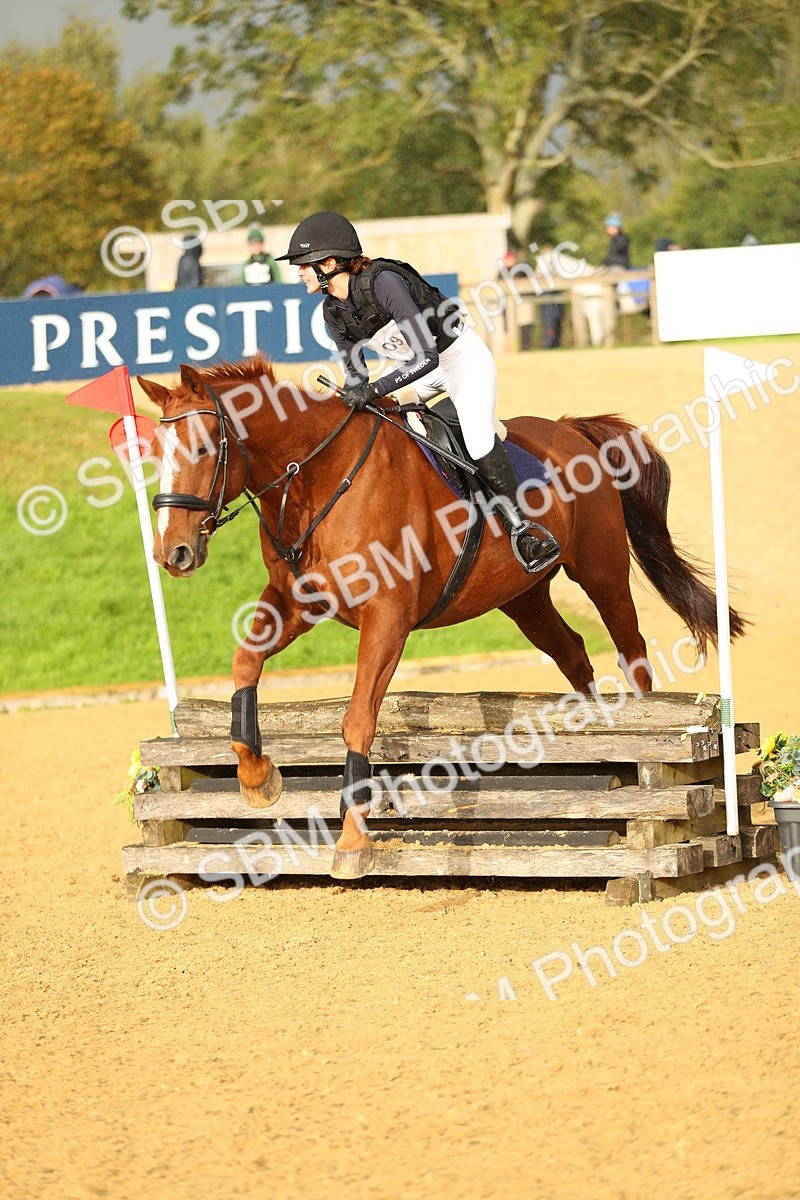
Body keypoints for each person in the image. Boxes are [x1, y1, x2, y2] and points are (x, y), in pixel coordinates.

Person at [276, 211, 560, 574]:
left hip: (458, 359)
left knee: (475, 438)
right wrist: (350, 400)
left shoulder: (384, 283)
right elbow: (356, 378)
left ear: (329, 264)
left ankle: (523, 529)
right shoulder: (333, 309)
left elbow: (427, 357)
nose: (298, 272)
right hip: (414, 374)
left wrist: (374, 389)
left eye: (303, 264)